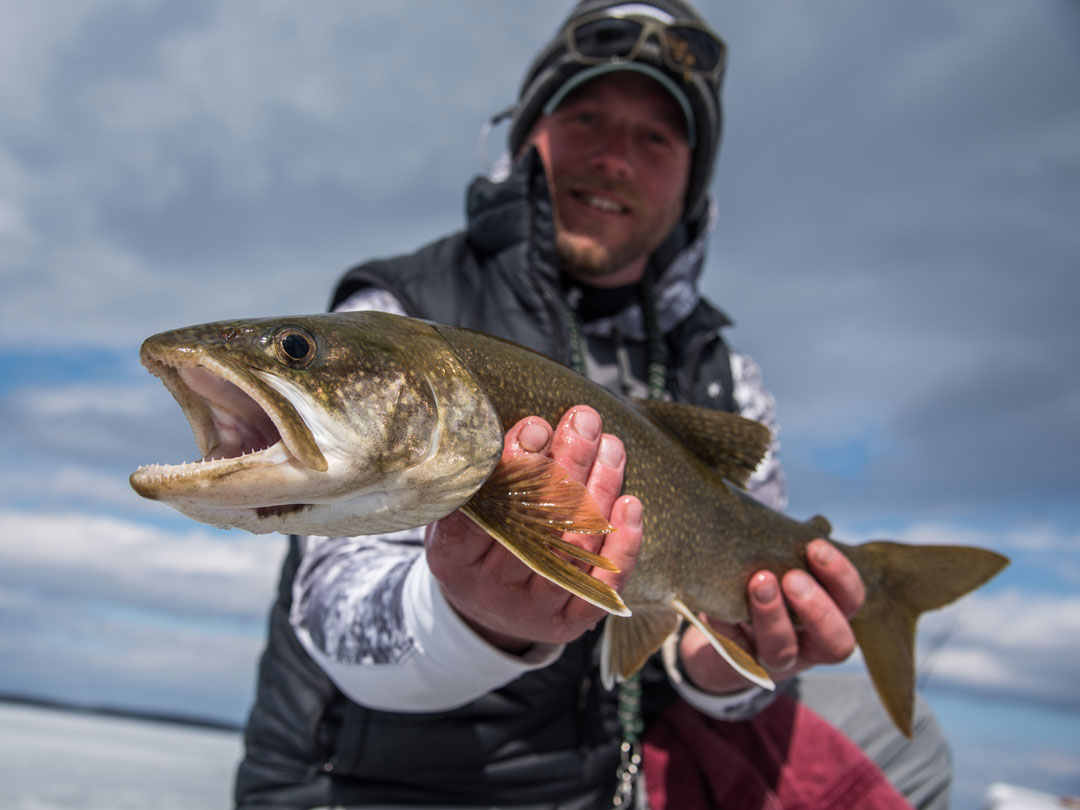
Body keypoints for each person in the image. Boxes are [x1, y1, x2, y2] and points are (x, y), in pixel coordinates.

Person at [235, 2, 952, 808]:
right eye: (586, 117)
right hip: (368, 786)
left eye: (655, 138)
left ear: (693, 182)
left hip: (598, 781)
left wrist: (724, 670)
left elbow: (701, 671)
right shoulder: (399, 316)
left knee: (904, 736)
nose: (615, 157)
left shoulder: (727, 377)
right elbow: (335, 615)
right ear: (524, 136)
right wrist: (477, 617)